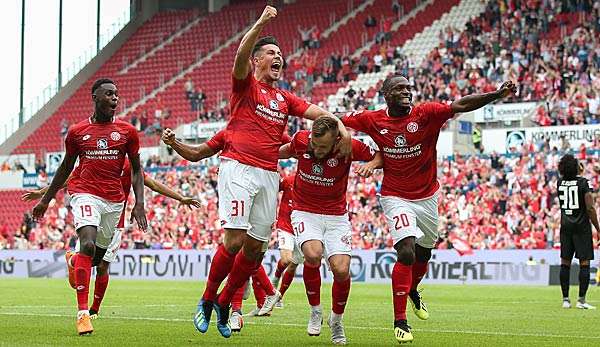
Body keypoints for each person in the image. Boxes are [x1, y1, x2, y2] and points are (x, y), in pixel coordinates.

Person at [187, 5, 352, 339]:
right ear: (257, 61)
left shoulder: (284, 98)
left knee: (255, 249)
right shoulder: (245, 86)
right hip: (238, 169)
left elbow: (315, 111)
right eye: (271, 53)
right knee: (234, 240)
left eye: (280, 54)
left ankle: (223, 302)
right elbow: (240, 54)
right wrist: (261, 23)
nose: (279, 58)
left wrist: (340, 126)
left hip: (268, 174)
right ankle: (206, 300)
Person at [340, 75, 517, 343]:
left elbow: (462, 105)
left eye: (408, 88)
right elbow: (338, 119)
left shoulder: (427, 113)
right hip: (395, 195)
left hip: (427, 196)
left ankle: (413, 289)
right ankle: (400, 321)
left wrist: (495, 94)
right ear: (386, 93)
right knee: (406, 251)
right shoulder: (372, 119)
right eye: (399, 88)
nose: (406, 92)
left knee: (424, 254)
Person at [31, 78, 147, 336]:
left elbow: (137, 171)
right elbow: (65, 168)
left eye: (116, 94)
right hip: (84, 193)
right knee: (87, 244)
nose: (114, 98)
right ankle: (83, 314)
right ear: (94, 97)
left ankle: (74, 262)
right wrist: (46, 199)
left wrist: (139, 204)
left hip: (114, 201)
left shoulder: (128, 132)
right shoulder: (77, 132)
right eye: (108, 94)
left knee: (95, 260)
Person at [22, 158, 201, 318]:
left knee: (101, 265)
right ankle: (83, 308)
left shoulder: (129, 163)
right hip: (93, 213)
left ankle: (94, 308)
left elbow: (151, 183)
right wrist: (43, 193)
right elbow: (68, 179)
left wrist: (180, 198)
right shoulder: (96, 156)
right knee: (88, 251)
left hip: (116, 220)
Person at [265, 116, 380, 344]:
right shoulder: (301, 140)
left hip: (337, 216)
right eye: (314, 145)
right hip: (305, 211)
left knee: (341, 270)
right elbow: (283, 151)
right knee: (312, 254)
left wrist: (371, 165)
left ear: (337, 140)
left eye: (323, 146)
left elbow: (381, 154)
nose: (317, 150)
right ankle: (315, 311)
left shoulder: (349, 146)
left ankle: (336, 320)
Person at [557, 154, 599, 309]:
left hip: (566, 226)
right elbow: (590, 207)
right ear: (576, 167)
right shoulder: (583, 183)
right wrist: (598, 228)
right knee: (584, 262)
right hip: (581, 227)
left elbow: (570, 181)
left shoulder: (560, 182)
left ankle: (565, 300)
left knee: (565, 262)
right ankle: (581, 300)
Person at [270, 173, 301, 309]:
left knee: (293, 265)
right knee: (286, 259)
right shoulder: (289, 180)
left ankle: (279, 296)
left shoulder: (313, 184)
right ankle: (275, 278)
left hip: (302, 230)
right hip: (285, 226)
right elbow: (273, 189)